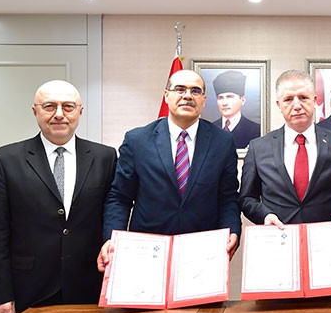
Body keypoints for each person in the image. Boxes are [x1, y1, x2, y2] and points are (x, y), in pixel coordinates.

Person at [0, 80, 117, 313]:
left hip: (89, 287)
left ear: (80, 112)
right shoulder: (5, 159)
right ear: (35, 111)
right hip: (29, 290)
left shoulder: (105, 157)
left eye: (68, 106)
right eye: (49, 106)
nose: (59, 114)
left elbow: (112, 213)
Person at [97, 69, 242, 272]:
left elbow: (228, 197)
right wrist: (112, 238)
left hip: (203, 253)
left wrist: (233, 229)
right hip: (147, 252)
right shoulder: (137, 140)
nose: (187, 96)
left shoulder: (223, 142)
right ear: (166, 95)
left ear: (204, 100)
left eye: (195, 91)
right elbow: (120, 197)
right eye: (180, 89)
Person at [239, 70, 331, 227]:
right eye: (288, 99)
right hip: (279, 236)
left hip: (325, 235)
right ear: (279, 105)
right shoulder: (258, 148)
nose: (297, 105)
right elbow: (247, 198)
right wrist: (265, 216)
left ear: (314, 100)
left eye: (303, 97)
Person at [212, 70, 261, 149]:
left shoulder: (256, 130)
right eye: (220, 98)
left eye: (229, 97)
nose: (224, 103)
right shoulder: (210, 129)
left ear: (242, 100)